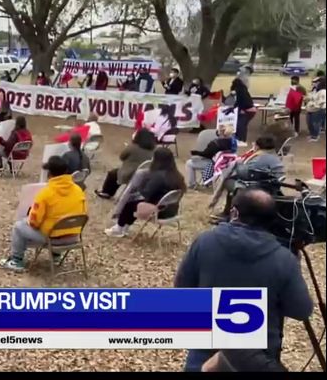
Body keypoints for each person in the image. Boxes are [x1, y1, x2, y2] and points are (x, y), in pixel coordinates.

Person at [175, 189, 313, 371]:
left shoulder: (205, 241)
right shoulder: (284, 259)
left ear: (234, 212)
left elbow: (182, 290)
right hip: (255, 358)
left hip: (205, 350)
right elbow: (301, 310)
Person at [0, 155, 86, 272]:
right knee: (56, 221)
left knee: (19, 226)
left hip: (53, 239)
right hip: (74, 236)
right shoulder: (78, 190)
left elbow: (34, 223)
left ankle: (16, 261)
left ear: (49, 173)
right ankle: (56, 256)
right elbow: (83, 212)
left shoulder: (45, 194)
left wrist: (28, 219)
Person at [105, 148, 186, 237]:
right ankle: (125, 227)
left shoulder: (157, 176)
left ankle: (119, 228)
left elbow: (145, 193)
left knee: (130, 204)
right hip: (171, 211)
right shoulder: (177, 176)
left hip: (158, 212)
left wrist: (140, 185)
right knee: (134, 203)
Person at [95, 128, 156, 199]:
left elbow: (122, 157)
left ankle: (106, 192)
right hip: (143, 174)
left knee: (113, 174)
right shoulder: (153, 150)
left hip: (130, 173)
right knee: (117, 173)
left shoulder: (132, 147)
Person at [227, 77, 257, 143]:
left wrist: (237, 109)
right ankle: (241, 139)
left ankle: (240, 140)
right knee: (242, 125)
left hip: (247, 110)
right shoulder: (243, 90)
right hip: (251, 110)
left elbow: (239, 102)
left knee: (240, 125)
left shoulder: (238, 91)